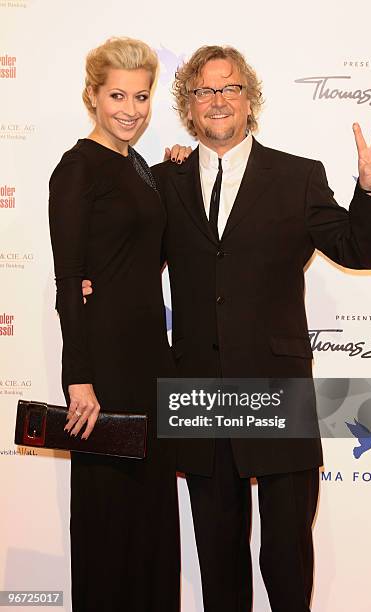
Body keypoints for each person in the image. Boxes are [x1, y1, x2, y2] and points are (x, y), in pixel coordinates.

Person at [150, 46, 371, 612]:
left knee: (287, 557)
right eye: (204, 91)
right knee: (218, 558)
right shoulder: (163, 182)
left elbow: (359, 250)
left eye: (230, 88)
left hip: (275, 385)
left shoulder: (296, 176)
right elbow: (133, 261)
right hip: (198, 389)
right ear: (189, 108)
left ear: (249, 100)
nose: (218, 100)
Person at [49, 37, 189, 612]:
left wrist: (174, 165)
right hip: (104, 363)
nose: (131, 109)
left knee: (151, 512)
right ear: (92, 96)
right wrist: (78, 378)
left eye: (141, 96)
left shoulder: (136, 166)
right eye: (117, 96)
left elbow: (135, 239)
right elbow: (68, 279)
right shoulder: (76, 168)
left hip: (151, 357)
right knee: (109, 512)